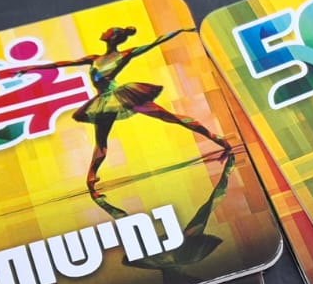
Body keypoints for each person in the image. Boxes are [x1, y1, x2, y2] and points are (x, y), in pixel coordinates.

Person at [12, 26, 230, 218]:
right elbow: (62, 63)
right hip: (104, 102)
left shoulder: (125, 54)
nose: (104, 32)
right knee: (101, 142)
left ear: (113, 37)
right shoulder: (94, 58)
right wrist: (30, 69)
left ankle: (216, 137)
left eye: (108, 31)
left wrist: (180, 31)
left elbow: (155, 42)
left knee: (169, 117)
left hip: (123, 95)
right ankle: (91, 180)